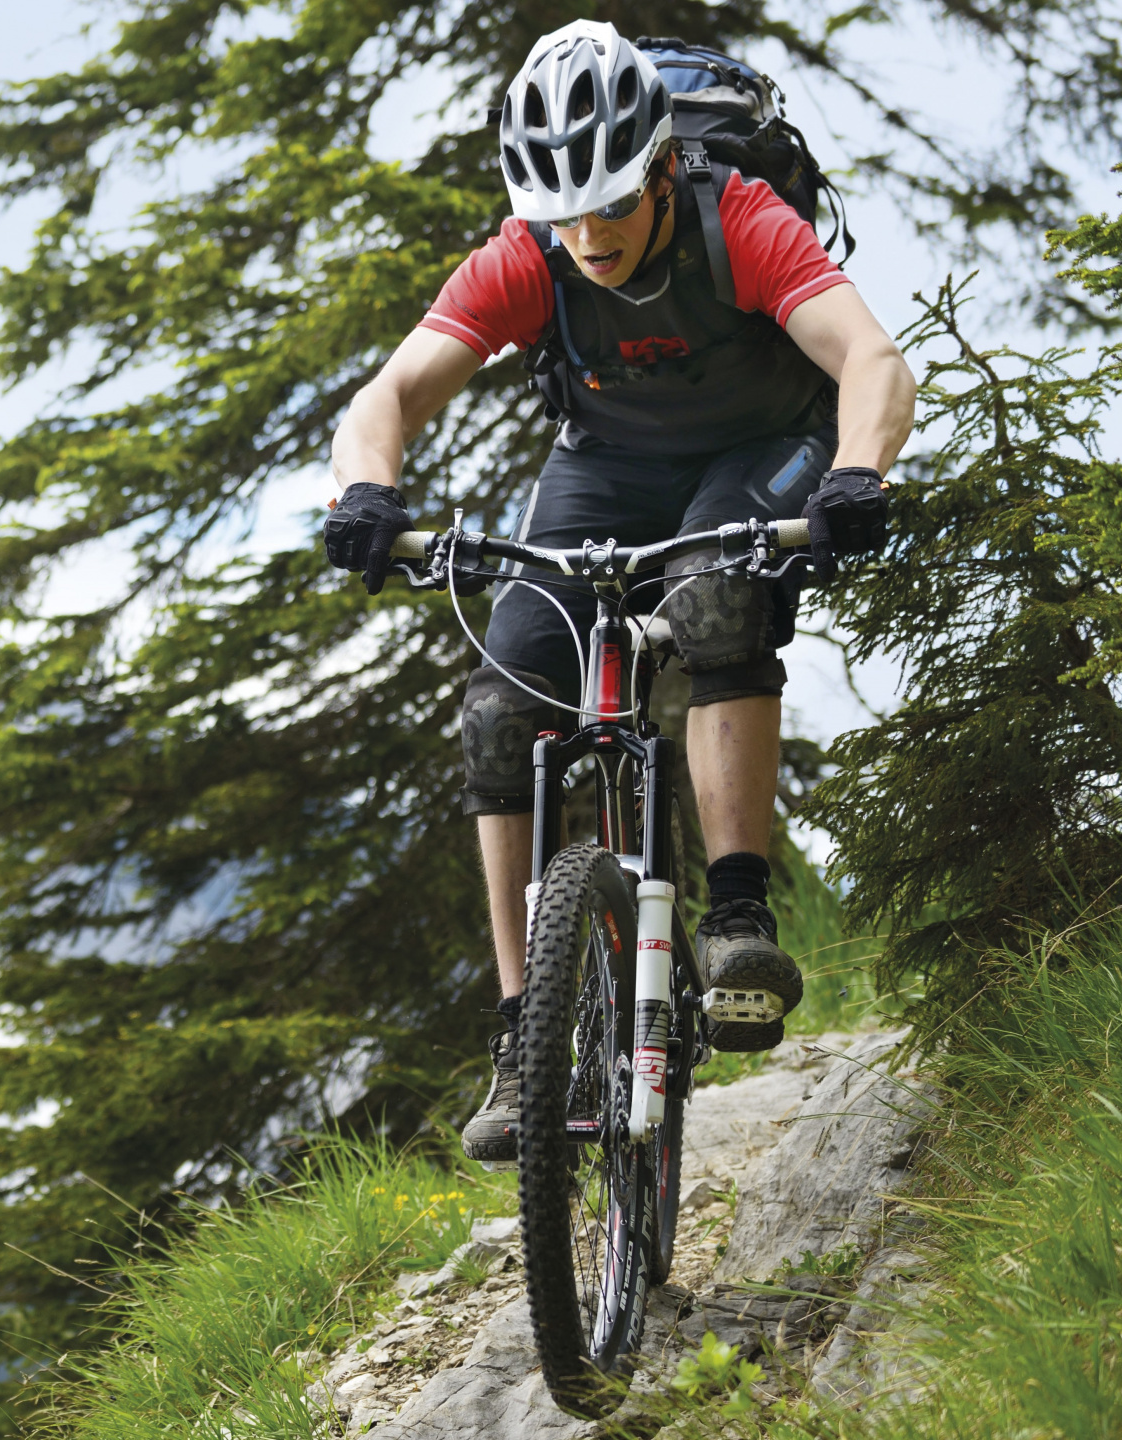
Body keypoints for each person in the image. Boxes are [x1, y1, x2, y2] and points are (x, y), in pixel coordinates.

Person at [320, 21, 916, 1165]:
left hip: (759, 449)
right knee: (499, 715)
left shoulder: (736, 218)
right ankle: (519, 1038)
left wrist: (856, 474)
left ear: (657, 170)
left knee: (710, 597)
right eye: (563, 214)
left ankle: (736, 917)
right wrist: (365, 496)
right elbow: (388, 394)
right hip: (606, 467)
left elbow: (870, 362)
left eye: (607, 206)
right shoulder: (527, 253)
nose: (586, 237)